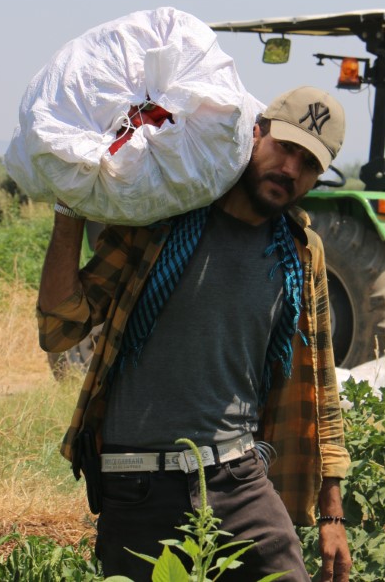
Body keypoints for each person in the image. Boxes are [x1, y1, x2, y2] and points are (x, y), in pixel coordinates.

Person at [37, 86, 352, 581]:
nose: (291, 170)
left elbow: (322, 388)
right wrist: (69, 209)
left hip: (237, 478)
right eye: (285, 148)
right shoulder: (161, 219)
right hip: (137, 482)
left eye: (309, 163)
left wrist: (332, 514)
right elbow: (60, 327)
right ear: (255, 134)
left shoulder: (300, 252)